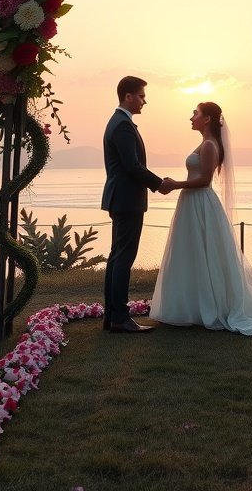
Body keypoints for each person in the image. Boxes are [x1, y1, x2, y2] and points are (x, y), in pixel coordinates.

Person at [150, 101, 252, 335]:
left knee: (202, 252)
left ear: (207, 119)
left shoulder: (208, 145)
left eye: (195, 113)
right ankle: (194, 306)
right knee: (193, 253)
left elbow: (204, 180)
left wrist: (176, 185)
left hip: (199, 202)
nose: (191, 117)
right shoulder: (206, 143)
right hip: (193, 202)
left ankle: (206, 307)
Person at [102, 75, 168, 333]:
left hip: (122, 199)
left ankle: (112, 316)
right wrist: (159, 183)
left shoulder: (119, 123)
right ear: (127, 96)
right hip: (127, 200)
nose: (144, 101)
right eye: (141, 96)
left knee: (117, 257)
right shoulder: (122, 126)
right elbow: (132, 165)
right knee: (123, 258)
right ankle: (119, 317)